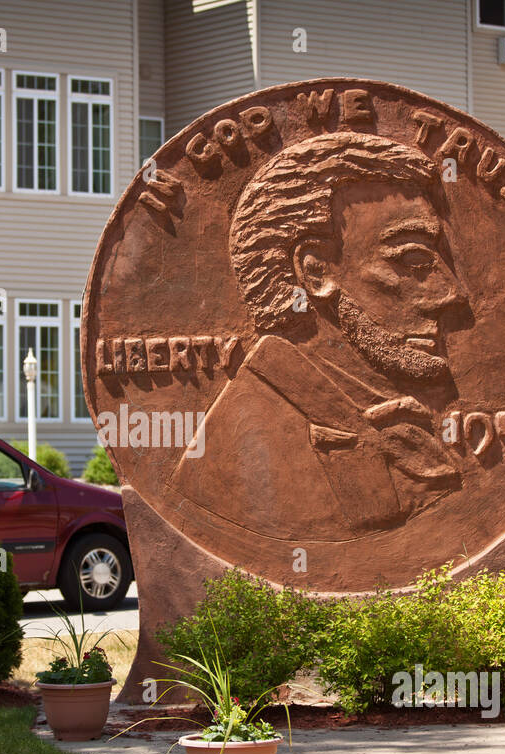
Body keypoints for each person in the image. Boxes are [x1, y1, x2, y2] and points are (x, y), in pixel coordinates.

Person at [169, 131, 475, 540]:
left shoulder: (380, 410)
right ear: (316, 272)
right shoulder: (235, 456)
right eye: (415, 261)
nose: (451, 293)